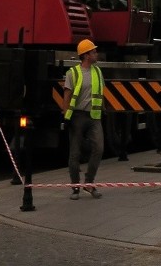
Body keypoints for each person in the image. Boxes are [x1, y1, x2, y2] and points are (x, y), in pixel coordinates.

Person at [61, 38, 105, 199]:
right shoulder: (73, 73)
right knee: (75, 153)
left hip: (94, 116)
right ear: (86, 55)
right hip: (77, 117)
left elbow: (100, 93)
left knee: (99, 148)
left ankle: (88, 183)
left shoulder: (98, 71)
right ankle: (75, 187)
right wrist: (66, 117)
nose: (96, 53)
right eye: (93, 51)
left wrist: (104, 109)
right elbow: (67, 96)